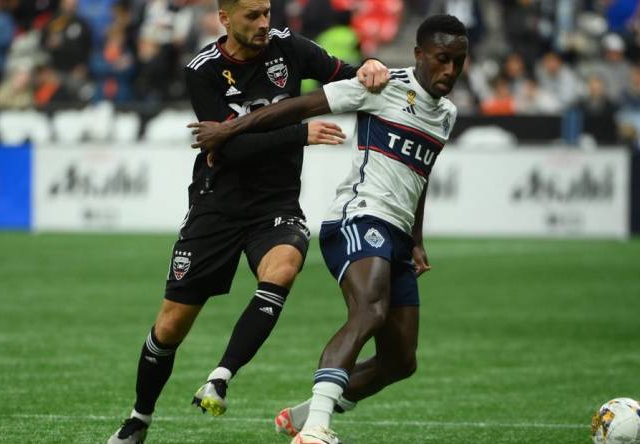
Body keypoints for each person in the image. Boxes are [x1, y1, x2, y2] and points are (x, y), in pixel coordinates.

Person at [106, 0, 389, 442]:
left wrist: (371, 66)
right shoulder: (202, 70)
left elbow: (344, 71)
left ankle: (220, 375)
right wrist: (300, 132)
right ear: (225, 18)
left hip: (274, 205)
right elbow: (228, 149)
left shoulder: (289, 48)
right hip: (216, 205)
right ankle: (139, 418)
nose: (263, 25)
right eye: (252, 16)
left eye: (266, 13)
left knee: (284, 267)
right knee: (169, 327)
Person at [189, 14, 468, 444]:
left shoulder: (446, 114)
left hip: (397, 233)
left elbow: (421, 174)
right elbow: (296, 107)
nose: (450, 70)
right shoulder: (384, 85)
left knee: (400, 362)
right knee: (370, 312)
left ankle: (304, 414)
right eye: (442, 59)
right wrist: (229, 129)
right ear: (419, 55)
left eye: (459, 62)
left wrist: (416, 239)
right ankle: (317, 429)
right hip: (358, 218)